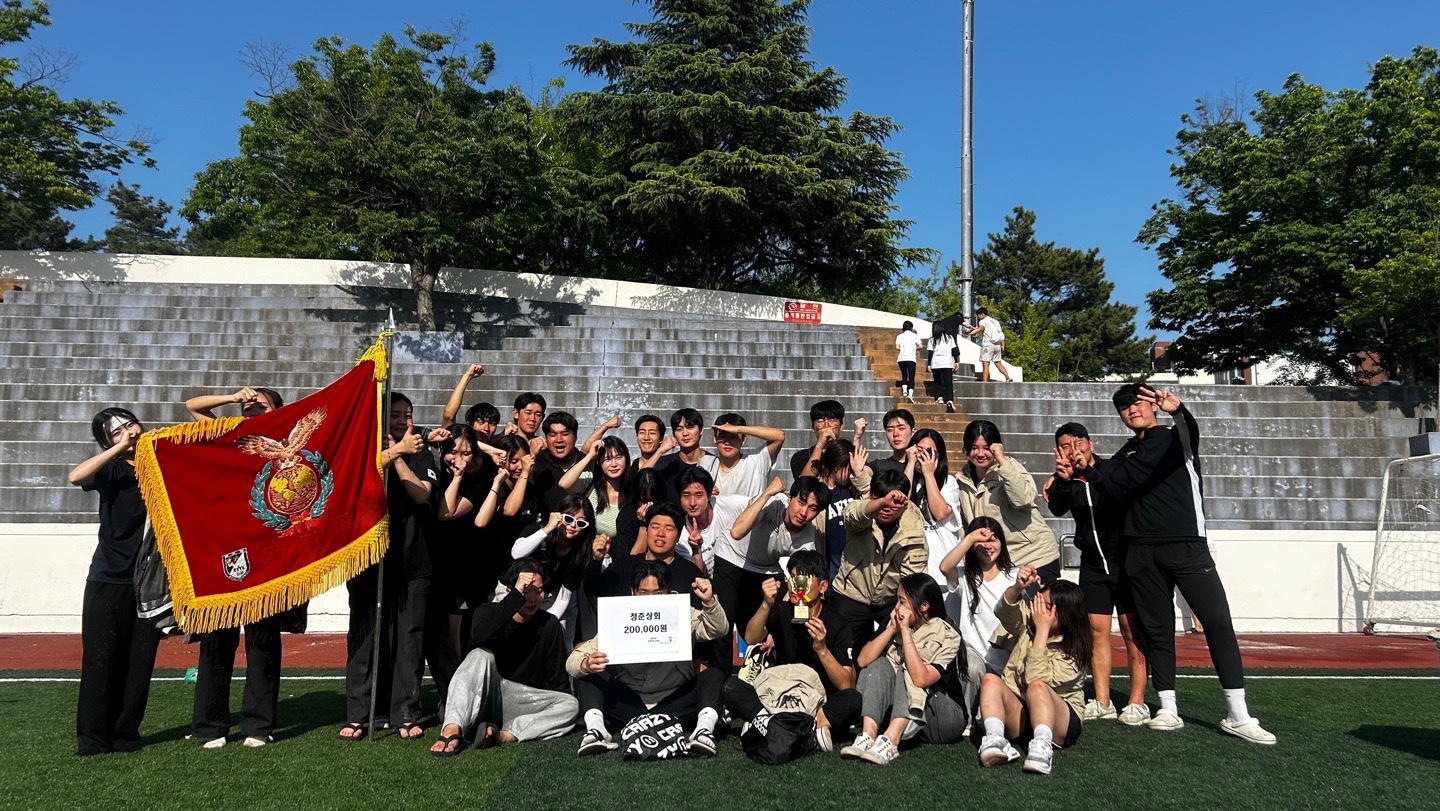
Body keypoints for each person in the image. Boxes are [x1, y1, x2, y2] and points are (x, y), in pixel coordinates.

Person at [1095, 384, 1275, 744]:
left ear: (1154, 406)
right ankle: (1167, 707)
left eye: (1138, 402)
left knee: (1217, 622)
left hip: (1187, 546)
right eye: (1124, 407)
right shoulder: (1124, 455)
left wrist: (1178, 410)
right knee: (1158, 630)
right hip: (1141, 552)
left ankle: (1238, 714)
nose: (1132, 410)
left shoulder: (1176, 438)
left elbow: (1189, 429)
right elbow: (1103, 482)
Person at [182, 387, 289, 749]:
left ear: (278, 411)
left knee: (262, 642)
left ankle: (259, 725)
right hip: (223, 550)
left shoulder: (285, 442)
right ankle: (210, 725)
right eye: (248, 406)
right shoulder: (230, 435)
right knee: (216, 639)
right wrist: (231, 397)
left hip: (268, 552)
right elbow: (192, 407)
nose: (251, 408)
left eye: (261, 405)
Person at [341, 392, 436, 741]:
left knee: (409, 638)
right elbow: (353, 477)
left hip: (412, 560)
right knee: (364, 635)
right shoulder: (362, 448)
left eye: (407, 415)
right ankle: (359, 713)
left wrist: (399, 455)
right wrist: (391, 451)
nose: (402, 421)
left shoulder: (421, 451)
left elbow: (421, 493)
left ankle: (406, 712)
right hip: (367, 558)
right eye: (395, 414)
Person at [68, 407, 161, 757]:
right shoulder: (113, 468)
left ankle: (126, 734)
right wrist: (118, 448)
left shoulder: (160, 466)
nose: (128, 432)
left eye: (130, 424)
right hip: (109, 578)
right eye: (116, 431)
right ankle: (93, 738)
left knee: (140, 662)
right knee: (101, 657)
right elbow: (76, 477)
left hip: (150, 581)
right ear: (107, 442)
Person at [1045, 422, 1149, 725]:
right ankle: (1102, 701)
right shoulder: (1066, 478)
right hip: (1092, 564)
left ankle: (1137, 701)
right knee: (1096, 631)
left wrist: (1088, 472)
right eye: (1065, 445)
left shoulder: (1112, 469)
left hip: (1124, 562)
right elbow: (1058, 508)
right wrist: (1063, 480)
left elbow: (1118, 498)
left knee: (1132, 630)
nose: (1072, 449)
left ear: (1091, 444)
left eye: (1078, 442)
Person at [569, 562, 728, 756]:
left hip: (673, 702)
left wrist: (709, 601)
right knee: (587, 675)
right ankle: (596, 731)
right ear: (633, 592)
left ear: (668, 592)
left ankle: (703, 731)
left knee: (713, 675)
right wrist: (586, 664)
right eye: (643, 592)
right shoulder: (619, 617)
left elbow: (719, 629)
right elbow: (573, 661)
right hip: (630, 704)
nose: (651, 598)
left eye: (658, 592)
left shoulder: (682, 613)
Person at [429, 560, 578, 755]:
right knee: (481, 655)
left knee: (570, 705)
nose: (533, 598)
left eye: (539, 591)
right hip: (485, 694)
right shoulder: (487, 612)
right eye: (526, 591)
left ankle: (504, 735)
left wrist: (557, 708)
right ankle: (452, 728)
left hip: (521, 701)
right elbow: (480, 636)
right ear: (510, 591)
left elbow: (558, 682)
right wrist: (516, 597)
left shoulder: (550, 624)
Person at [723, 550, 862, 751]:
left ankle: (771, 725)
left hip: (817, 702)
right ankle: (801, 729)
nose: (796, 586)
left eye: (803, 579)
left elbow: (846, 684)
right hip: (781, 696)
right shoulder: (783, 610)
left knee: (853, 699)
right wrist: (766, 604)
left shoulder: (837, 623)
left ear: (823, 586)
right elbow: (751, 638)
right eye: (792, 578)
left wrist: (822, 649)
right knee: (731, 686)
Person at [840, 573, 967, 764]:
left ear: (924, 606)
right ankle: (868, 734)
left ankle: (892, 739)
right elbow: (863, 661)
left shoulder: (947, 633)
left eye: (902, 601)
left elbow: (921, 679)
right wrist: (891, 629)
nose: (897, 607)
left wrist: (906, 633)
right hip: (907, 709)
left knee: (909, 666)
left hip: (944, 718)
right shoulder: (894, 621)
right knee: (877, 664)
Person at [976, 566, 1091, 776]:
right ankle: (995, 739)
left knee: (1037, 687)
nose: (1037, 610)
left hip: (1059, 720)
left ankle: (1042, 747)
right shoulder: (1029, 623)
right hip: (1022, 710)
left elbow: (1036, 679)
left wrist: (1043, 632)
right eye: (1038, 602)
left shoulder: (1074, 651)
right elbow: (1003, 611)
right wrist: (1018, 588)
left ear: (1065, 615)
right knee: (990, 680)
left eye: (1046, 607)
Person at [714, 476, 828, 665]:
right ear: (790, 498)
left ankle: (768, 666)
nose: (803, 513)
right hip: (731, 555)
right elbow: (736, 533)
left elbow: (801, 583)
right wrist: (767, 492)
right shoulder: (773, 501)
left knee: (784, 613)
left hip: (767, 568)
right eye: (801, 502)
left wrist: (781, 620)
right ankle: (720, 678)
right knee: (724, 624)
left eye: (812, 508)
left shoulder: (807, 539)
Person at [831, 469, 929, 652]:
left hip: (891, 601)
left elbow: (913, 581)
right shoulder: (861, 511)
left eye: (895, 504)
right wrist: (882, 502)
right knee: (837, 646)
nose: (887, 508)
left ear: (905, 502)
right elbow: (853, 515)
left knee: (893, 649)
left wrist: (903, 611)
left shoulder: (914, 531)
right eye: (880, 500)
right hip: (851, 593)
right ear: (870, 495)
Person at [956, 420, 1060, 582]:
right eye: (974, 448)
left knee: (1037, 600)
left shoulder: (1010, 468)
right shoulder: (962, 479)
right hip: (999, 562)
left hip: (1035, 556)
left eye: (987, 448)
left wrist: (1002, 461)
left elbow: (1023, 499)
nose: (980, 454)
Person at [936, 517, 1019, 719]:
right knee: (972, 667)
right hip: (974, 655)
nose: (988, 546)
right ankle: (966, 718)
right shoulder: (964, 576)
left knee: (993, 716)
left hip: (1007, 660)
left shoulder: (1014, 576)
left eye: (993, 539)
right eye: (981, 541)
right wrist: (971, 537)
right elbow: (944, 567)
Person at [510, 495, 598, 640]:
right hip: (514, 590)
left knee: (558, 632)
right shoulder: (538, 528)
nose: (573, 525)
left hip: (548, 595)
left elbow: (564, 597)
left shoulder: (580, 552)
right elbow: (516, 553)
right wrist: (547, 529)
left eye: (580, 523)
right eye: (568, 519)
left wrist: (546, 625)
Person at [903, 429, 964, 587]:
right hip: (913, 569)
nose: (923, 456)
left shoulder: (949, 482)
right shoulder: (907, 477)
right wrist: (910, 463)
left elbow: (940, 513)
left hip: (942, 572)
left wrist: (928, 474)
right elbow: (901, 500)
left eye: (929, 452)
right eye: (919, 450)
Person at [812, 439, 870, 580]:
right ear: (837, 466)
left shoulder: (855, 488)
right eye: (850, 468)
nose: (851, 473)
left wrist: (860, 474)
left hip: (859, 570)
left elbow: (873, 503)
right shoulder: (817, 493)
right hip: (831, 571)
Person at [709, 412, 786, 498]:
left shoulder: (757, 461)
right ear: (715, 440)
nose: (727, 442)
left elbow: (779, 436)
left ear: (743, 439)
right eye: (723, 437)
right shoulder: (707, 467)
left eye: (733, 437)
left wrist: (737, 429)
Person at [790, 400, 865, 479]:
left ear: (841, 426)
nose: (826, 425)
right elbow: (803, 483)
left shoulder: (847, 453)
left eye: (832, 420)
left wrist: (857, 437)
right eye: (820, 421)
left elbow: (858, 476)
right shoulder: (801, 457)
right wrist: (820, 445)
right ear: (813, 428)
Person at [530, 411, 588, 512]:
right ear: (546, 438)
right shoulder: (538, 464)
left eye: (565, 434)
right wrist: (532, 456)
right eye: (553, 434)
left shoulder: (589, 463)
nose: (559, 440)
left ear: (575, 437)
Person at [968, 306, 1011, 383]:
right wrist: (1002, 345)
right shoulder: (995, 321)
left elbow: (981, 328)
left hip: (988, 345)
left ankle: (985, 382)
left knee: (986, 364)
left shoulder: (983, 321)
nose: (978, 317)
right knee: (998, 363)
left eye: (978, 315)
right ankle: (1007, 377)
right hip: (997, 345)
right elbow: (1000, 333)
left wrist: (970, 333)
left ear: (982, 314)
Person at [869, 409, 914, 480]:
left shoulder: (925, 465)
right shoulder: (879, 466)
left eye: (901, 428)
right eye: (890, 430)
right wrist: (857, 437)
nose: (895, 434)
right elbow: (858, 475)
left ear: (913, 432)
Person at [928, 315, 961, 413]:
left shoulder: (932, 340)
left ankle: (939, 398)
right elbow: (954, 350)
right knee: (948, 383)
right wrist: (956, 361)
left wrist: (929, 365)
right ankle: (950, 400)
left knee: (938, 382)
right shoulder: (949, 338)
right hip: (947, 362)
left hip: (936, 363)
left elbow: (930, 353)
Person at [895, 320, 922, 402]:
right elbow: (920, 346)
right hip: (911, 358)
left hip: (901, 358)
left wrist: (903, 349)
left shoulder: (899, 336)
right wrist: (914, 348)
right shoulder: (915, 336)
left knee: (904, 375)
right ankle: (910, 394)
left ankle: (904, 391)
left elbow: (897, 347)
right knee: (911, 376)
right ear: (911, 327)